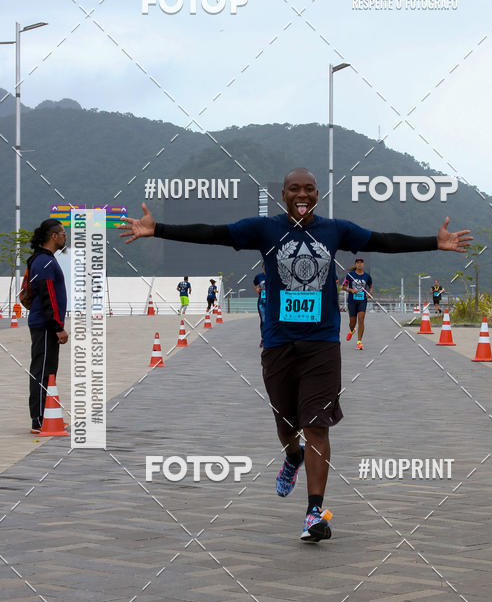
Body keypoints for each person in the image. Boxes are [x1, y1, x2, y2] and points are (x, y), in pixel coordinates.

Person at [121, 168, 472, 542]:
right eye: (294, 189)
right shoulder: (265, 230)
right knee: (287, 425)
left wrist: (434, 243)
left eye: (309, 189)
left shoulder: (335, 230)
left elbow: (383, 240)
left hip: (322, 344)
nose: (302, 194)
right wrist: (157, 230)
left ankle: (313, 513)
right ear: (284, 194)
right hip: (278, 343)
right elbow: (214, 233)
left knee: (317, 425)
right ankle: (292, 456)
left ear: (317, 193)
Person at [26, 219, 68, 433]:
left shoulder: (45, 260)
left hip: (46, 325)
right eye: (62, 233)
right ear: (53, 236)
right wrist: (57, 326)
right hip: (44, 325)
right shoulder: (44, 262)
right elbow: (48, 296)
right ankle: (39, 419)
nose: (64, 236)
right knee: (42, 370)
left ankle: (47, 414)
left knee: (48, 370)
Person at [342, 257, 372, 350]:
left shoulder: (367, 276)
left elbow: (370, 287)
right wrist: (351, 290)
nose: (359, 264)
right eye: (357, 263)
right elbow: (343, 287)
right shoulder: (349, 275)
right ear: (355, 265)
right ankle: (352, 331)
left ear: (363, 265)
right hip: (352, 301)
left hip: (362, 300)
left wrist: (369, 293)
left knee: (361, 319)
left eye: (361, 263)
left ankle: (359, 342)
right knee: (352, 323)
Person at [253, 263, 267, 346]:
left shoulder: (274, 274)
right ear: (262, 267)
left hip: (272, 302)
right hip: (262, 302)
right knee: (264, 320)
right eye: (264, 266)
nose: (265, 268)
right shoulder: (259, 276)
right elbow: (254, 284)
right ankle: (263, 338)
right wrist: (257, 289)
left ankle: (272, 338)